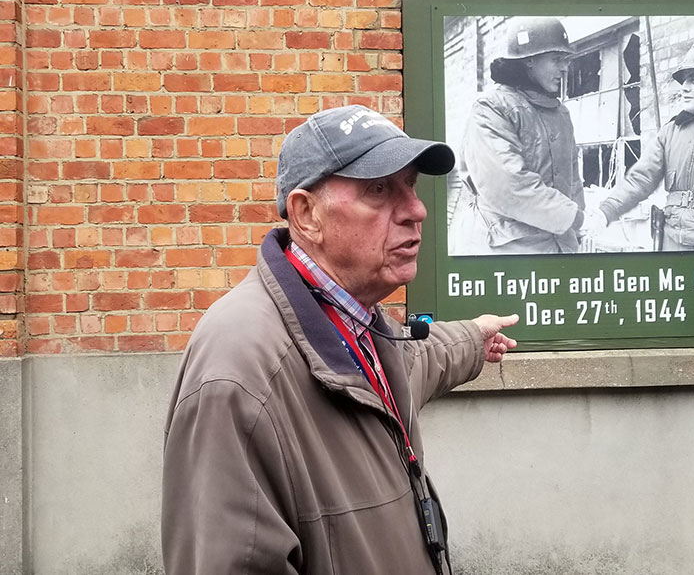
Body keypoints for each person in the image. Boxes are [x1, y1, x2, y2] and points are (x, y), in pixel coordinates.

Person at [161, 105, 519, 575]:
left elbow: (413, 360)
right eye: (378, 189)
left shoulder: (357, 323)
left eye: (409, 185)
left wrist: (474, 337)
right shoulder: (240, 370)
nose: (417, 209)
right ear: (306, 214)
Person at [593, 41, 694, 251]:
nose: (685, 88)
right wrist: (605, 211)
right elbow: (641, 179)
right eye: (684, 81)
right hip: (673, 245)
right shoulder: (671, 131)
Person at [449, 16, 585, 255]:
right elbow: (508, 185)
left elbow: (572, 179)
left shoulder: (561, 112)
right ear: (530, 61)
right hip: (504, 250)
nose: (565, 68)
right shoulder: (491, 108)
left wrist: (578, 225)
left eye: (565, 60)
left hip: (557, 246)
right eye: (556, 59)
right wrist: (574, 217)